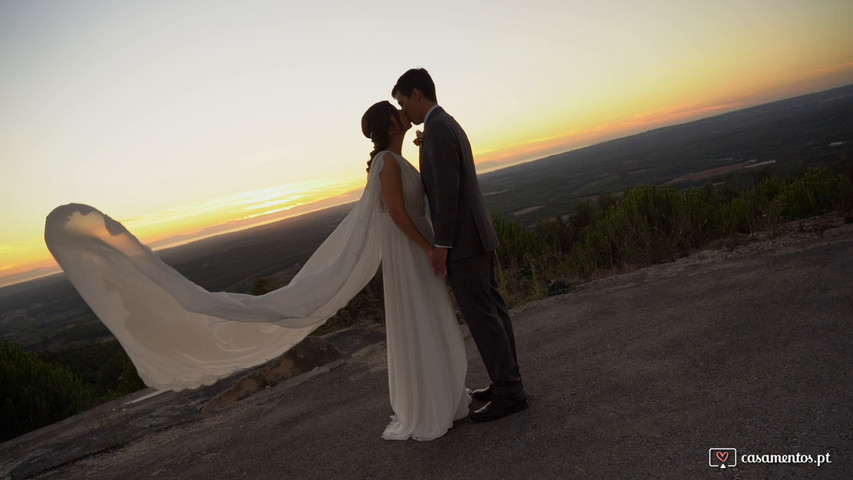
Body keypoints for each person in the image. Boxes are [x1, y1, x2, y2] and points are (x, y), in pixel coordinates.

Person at [43, 100, 469, 441]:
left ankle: (440, 399)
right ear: (392, 125)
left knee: (428, 321)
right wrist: (431, 247)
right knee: (423, 321)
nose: (404, 114)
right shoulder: (387, 165)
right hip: (412, 252)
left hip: (414, 251)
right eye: (398, 112)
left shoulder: (395, 160)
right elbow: (395, 213)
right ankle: (429, 407)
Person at [392, 68, 527, 423]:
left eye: (404, 102)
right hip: (476, 236)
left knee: (484, 318)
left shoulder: (437, 129)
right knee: (494, 313)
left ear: (417, 94)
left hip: (465, 242)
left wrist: (442, 245)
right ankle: (506, 383)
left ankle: (510, 393)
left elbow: (446, 194)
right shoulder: (444, 124)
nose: (404, 111)